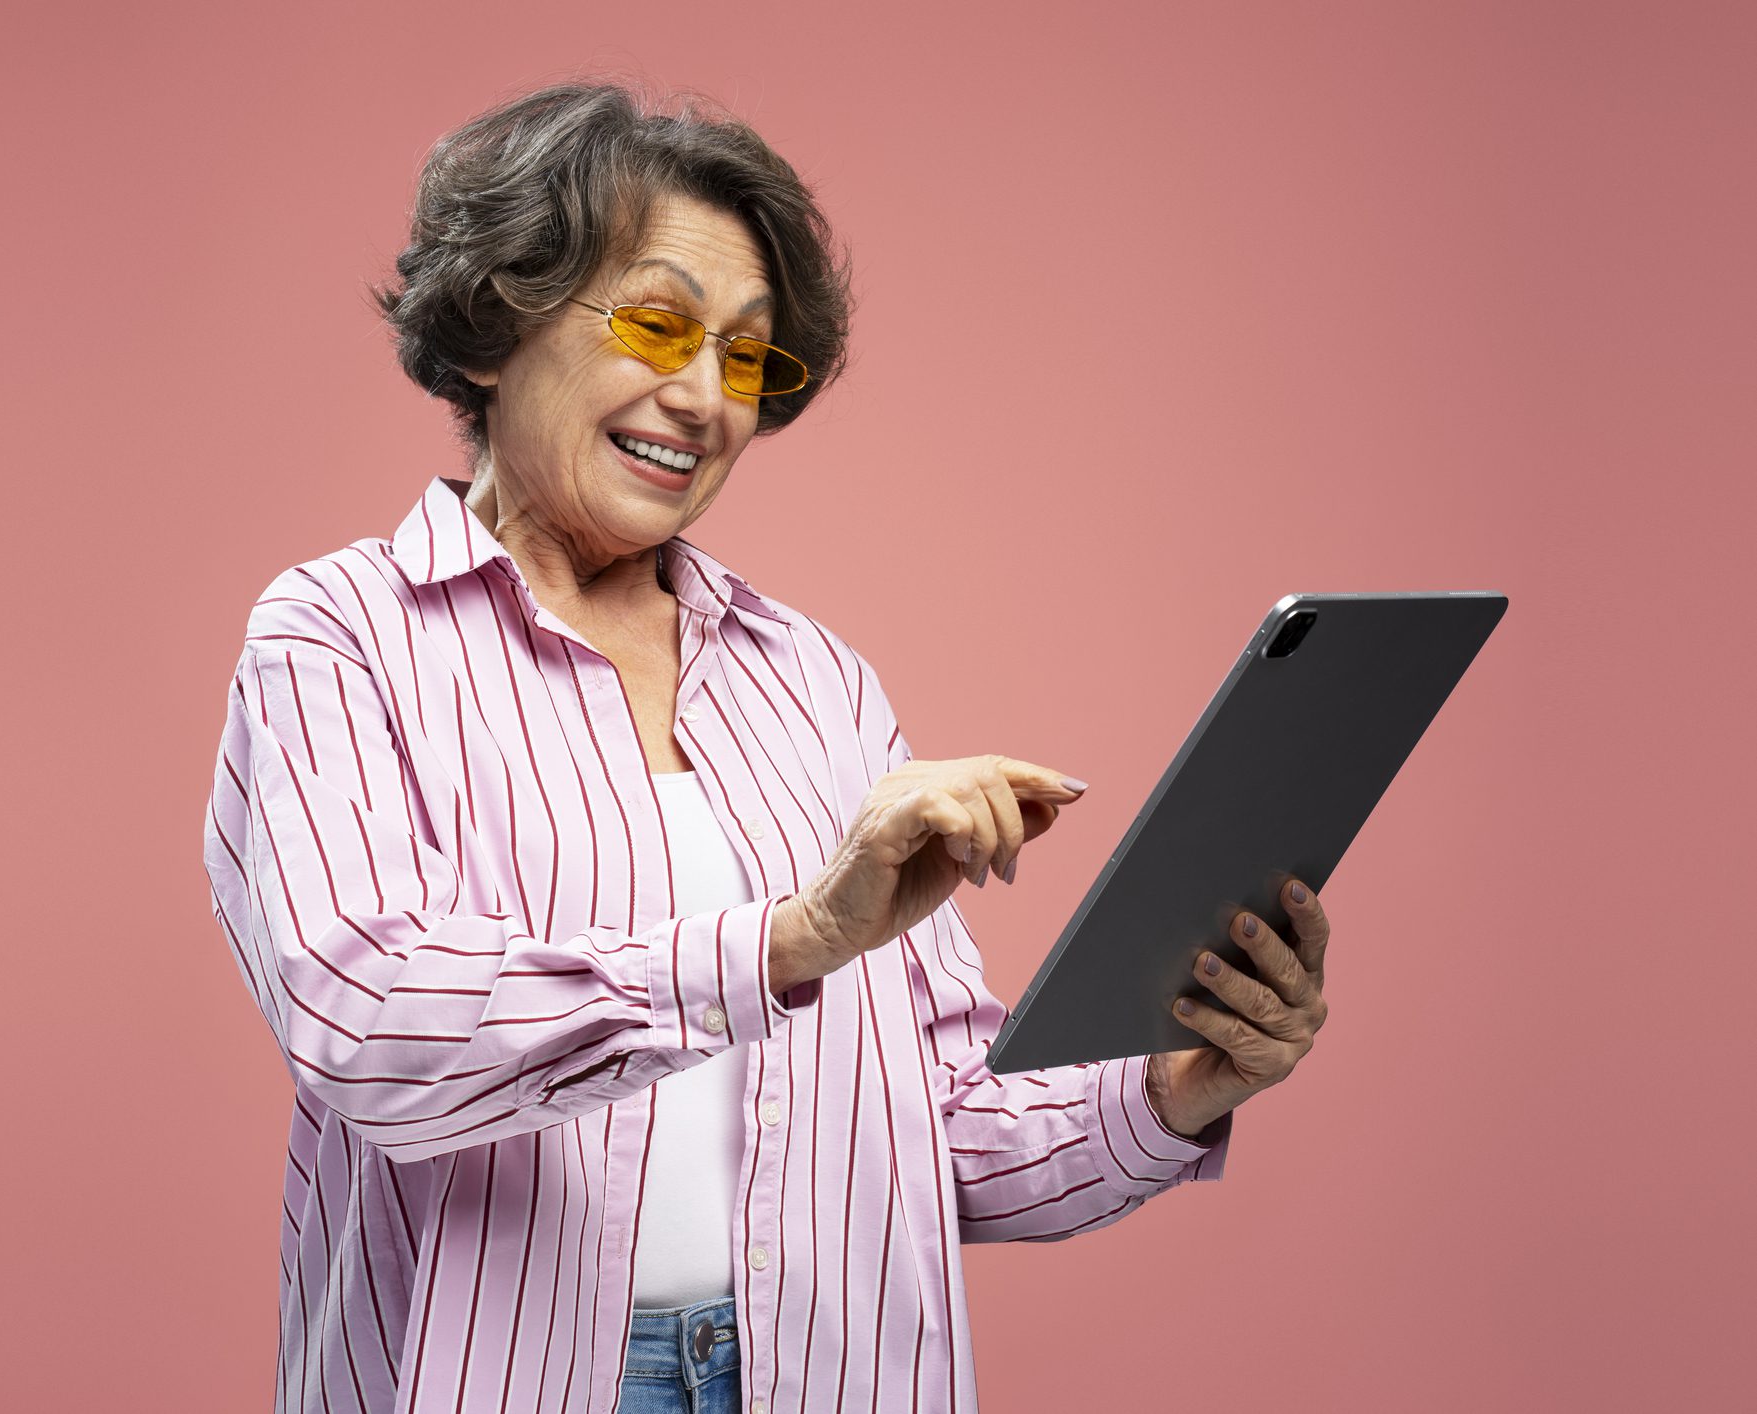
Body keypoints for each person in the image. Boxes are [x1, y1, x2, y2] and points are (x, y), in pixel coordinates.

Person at [202, 79, 1334, 1414]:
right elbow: (369, 1025)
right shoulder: (338, 635)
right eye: (660, 325)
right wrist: (787, 941)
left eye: (744, 355)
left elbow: (943, 1134)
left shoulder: (813, 678)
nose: (705, 399)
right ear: (498, 321)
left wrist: (1187, 1081)